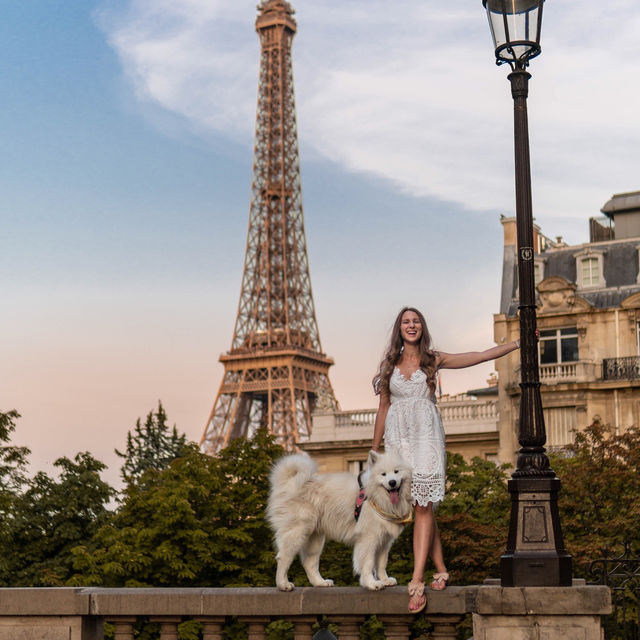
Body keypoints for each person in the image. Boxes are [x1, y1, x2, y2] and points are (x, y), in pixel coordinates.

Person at [371, 307, 520, 613]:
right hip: (399, 440)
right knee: (420, 506)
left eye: (415, 321)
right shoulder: (389, 365)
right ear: (399, 329)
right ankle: (441, 569)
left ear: (421, 327)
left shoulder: (433, 359)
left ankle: (417, 580)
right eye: (405, 322)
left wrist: (516, 344)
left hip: (426, 438)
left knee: (423, 506)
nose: (411, 325)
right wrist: (375, 451)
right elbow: (383, 408)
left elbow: (479, 355)